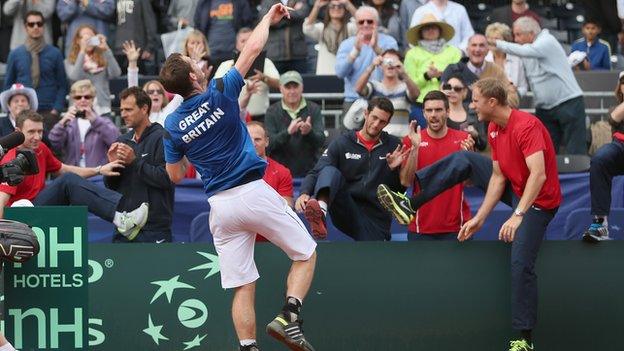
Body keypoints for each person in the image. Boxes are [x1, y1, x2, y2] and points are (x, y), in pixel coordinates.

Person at [159, 4, 317, 350]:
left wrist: (195, 147)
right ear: (192, 78)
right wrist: (266, 18)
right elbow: (252, 50)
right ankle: (290, 316)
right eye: (192, 65)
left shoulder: (170, 126)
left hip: (219, 207)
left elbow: (174, 175)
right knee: (306, 252)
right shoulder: (221, 91)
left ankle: (248, 347)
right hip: (252, 191)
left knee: (244, 284)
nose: (198, 66)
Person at [458, 78, 561, 351]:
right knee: (466, 159)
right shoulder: (492, 126)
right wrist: (480, 217)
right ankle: (412, 203)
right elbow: (496, 176)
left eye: (476, 99)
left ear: (492, 102)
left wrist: (517, 214)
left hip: (540, 201)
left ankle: (524, 339)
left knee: (520, 264)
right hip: (517, 189)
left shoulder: (526, 126)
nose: (472, 104)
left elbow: (538, 176)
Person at [0, 110, 149, 240]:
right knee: (63, 184)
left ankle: (121, 219)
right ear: (17, 132)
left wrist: (99, 169)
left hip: (38, 210)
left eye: (40, 131)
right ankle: (122, 220)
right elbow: (1, 201)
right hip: (17, 221)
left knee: (68, 181)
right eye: (31, 132)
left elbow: (63, 169)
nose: (37, 137)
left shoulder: (41, 148)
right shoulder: (10, 159)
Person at [296, 97, 408, 241]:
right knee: (330, 170)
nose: (376, 124)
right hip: (348, 209)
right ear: (366, 113)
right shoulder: (343, 142)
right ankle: (320, 214)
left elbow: (400, 190)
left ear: (388, 122)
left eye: (382, 121)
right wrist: (304, 192)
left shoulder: (393, 145)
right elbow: (318, 171)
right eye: (374, 117)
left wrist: (395, 170)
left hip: (377, 218)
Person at [491, 16, 587, 155]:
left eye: (518, 35)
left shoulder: (546, 40)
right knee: (545, 152)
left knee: (576, 150)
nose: (516, 40)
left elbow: (525, 51)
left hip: (568, 103)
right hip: (544, 108)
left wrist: (497, 43)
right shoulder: (528, 48)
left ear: (531, 33)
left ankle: (578, 177)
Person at [393, 91, 472, 240]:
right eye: (429, 110)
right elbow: (406, 181)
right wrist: (415, 148)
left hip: (457, 226)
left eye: (438, 110)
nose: (433, 114)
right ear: (423, 113)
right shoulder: (411, 140)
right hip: (420, 227)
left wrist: (469, 157)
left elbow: (468, 183)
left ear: (448, 112)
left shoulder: (463, 139)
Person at [105, 87, 174, 243]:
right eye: (121, 109)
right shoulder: (121, 140)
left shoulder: (163, 137)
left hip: (153, 230)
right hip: (123, 228)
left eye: (128, 109)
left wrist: (135, 161)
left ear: (144, 109)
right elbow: (111, 187)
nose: (123, 114)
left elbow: (167, 178)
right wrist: (112, 166)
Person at [4, 10, 68, 133]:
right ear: (25, 27)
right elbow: (8, 85)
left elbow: (63, 85)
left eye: (39, 24)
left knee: (49, 149)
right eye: (31, 24)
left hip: (49, 111)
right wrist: (12, 111)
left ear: (43, 26)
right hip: (23, 113)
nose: (35, 27)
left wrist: (56, 109)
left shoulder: (55, 53)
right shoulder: (15, 54)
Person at [581, 73, 624, 242]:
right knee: (600, 159)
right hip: (620, 148)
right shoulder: (616, 108)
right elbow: (613, 119)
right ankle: (600, 224)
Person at [335, 6, 398, 118]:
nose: (365, 24)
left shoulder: (389, 41)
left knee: (384, 136)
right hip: (354, 100)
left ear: (377, 23)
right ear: (356, 24)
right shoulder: (347, 44)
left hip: (383, 100)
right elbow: (340, 73)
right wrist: (355, 52)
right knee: (349, 136)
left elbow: (395, 67)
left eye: (370, 21)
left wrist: (377, 49)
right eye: (361, 22)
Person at [264, 71, 325, 177]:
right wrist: (287, 132)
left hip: (309, 173)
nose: (292, 91)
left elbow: (321, 141)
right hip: (280, 174)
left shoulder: (313, 108)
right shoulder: (272, 111)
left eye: (295, 86)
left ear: (302, 87)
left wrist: (309, 132)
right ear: (280, 88)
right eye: (288, 87)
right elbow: (269, 144)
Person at [48, 80, 119, 167]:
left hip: (98, 175)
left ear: (93, 100)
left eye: (87, 97)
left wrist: (95, 121)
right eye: (78, 97)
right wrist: (62, 122)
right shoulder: (68, 124)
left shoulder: (104, 121)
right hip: (74, 175)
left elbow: (116, 141)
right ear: (73, 100)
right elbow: (54, 144)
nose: (83, 100)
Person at [215, 27, 281, 121]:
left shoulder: (266, 62)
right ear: (236, 45)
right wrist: (231, 75)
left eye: (250, 40)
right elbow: (215, 89)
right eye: (243, 41)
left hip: (260, 118)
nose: (246, 44)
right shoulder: (226, 65)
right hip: (234, 118)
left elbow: (280, 84)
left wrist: (264, 78)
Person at [354, 49, 419, 136]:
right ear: (381, 65)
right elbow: (358, 89)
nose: (390, 64)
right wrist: (372, 66)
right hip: (378, 139)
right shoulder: (374, 86)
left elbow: (416, 94)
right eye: (386, 61)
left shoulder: (405, 87)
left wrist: (404, 74)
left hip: (401, 139)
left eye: (394, 61)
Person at [122, 40, 184, 127]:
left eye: (159, 92)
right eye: (151, 92)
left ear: (163, 97)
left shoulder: (168, 112)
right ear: (144, 97)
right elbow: (132, 92)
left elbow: (181, 94)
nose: (155, 94)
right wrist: (132, 63)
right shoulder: (138, 116)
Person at [404, 13, 461, 106]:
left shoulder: (454, 51)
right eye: (426, 28)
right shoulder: (411, 54)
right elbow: (409, 85)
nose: (430, 30)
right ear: (420, 32)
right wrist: (426, 76)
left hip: (449, 102)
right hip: (421, 103)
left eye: (433, 27)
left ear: (439, 30)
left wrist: (441, 77)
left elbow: (459, 80)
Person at [65, 24, 121, 116]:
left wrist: (106, 49)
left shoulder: (103, 57)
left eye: (90, 37)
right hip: (78, 109)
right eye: (84, 38)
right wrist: (82, 51)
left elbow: (116, 74)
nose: (88, 41)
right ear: (78, 41)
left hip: (102, 109)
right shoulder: (69, 61)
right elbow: (74, 77)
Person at [194, 0, 255, 68]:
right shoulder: (204, 2)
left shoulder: (240, 2)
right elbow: (198, 26)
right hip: (211, 53)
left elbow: (247, 24)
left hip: (234, 53)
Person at [303, 0, 357, 75]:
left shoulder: (349, 28)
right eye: (332, 6)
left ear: (344, 10)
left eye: (340, 6)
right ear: (328, 10)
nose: (336, 9)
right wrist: (317, 6)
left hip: (346, 74)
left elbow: (361, 22)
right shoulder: (322, 29)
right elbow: (307, 28)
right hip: (325, 73)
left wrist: (348, 4)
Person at [260, 0, 309, 73]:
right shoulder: (267, 1)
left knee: (300, 82)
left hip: (298, 55)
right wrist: (292, 14)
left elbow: (302, 13)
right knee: (275, 83)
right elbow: (264, 19)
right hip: (275, 55)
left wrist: (279, 14)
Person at [442, 75, 487, 151]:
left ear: (465, 92)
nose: (452, 91)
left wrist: (475, 135)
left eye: (457, 89)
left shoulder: (474, 111)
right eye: (448, 87)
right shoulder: (439, 112)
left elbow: (483, 146)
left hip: (468, 158)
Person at [114, 0, 159, 75]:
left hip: (137, 48)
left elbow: (149, 22)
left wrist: (149, 47)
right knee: (121, 83)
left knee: (137, 81)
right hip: (119, 48)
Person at [409, 0, 474, 51]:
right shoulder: (420, 11)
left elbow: (469, 35)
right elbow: (413, 39)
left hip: (456, 59)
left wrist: (459, 50)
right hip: (428, 61)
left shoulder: (460, 9)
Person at [485, 22, 528, 96]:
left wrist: (515, 93)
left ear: (505, 40)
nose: (493, 42)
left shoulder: (516, 60)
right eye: (490, 38)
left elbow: (523, 87)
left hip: (512, 102)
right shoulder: (484, 60)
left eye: (496, 39)